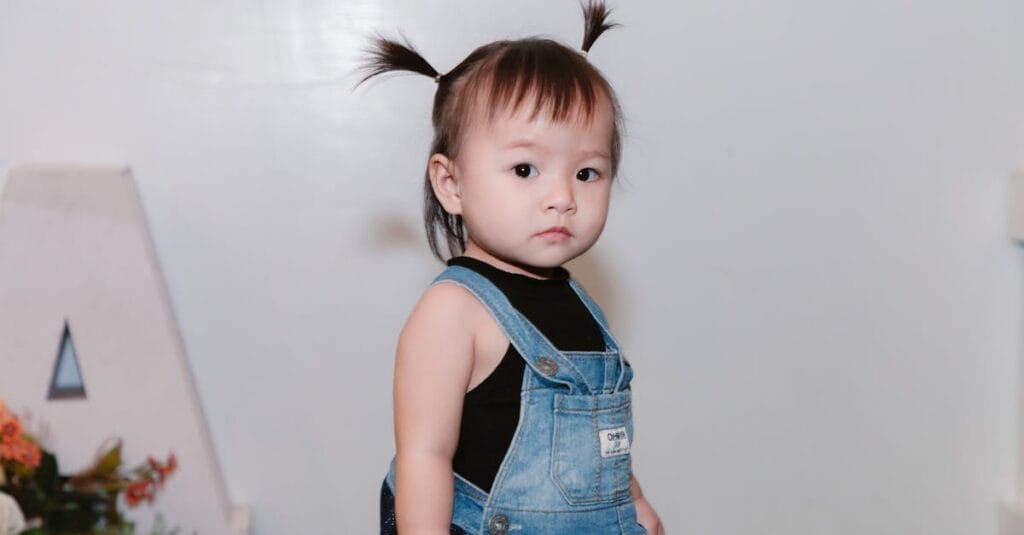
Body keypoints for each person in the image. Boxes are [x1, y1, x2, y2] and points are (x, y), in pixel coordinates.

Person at [355, 1, 663, 533]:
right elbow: (424, 456)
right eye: (526, 169)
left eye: (588, 172)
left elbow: (598, 443)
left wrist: (632, 502)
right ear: (451, 184)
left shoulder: (578, 303)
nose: (562, 196)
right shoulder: (454, 311)